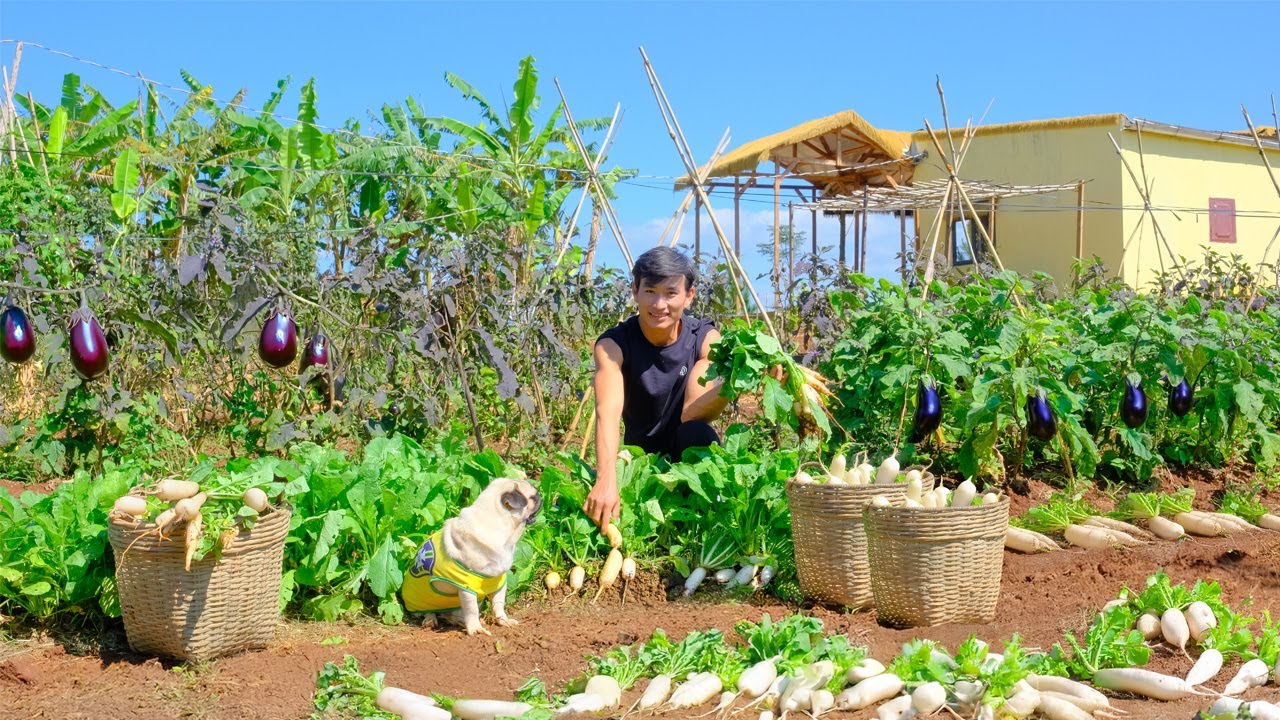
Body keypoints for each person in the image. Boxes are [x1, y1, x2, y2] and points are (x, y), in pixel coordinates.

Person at [583, 247, 727, 530]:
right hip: (641, 462)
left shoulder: (705, 339)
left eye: (671, 293)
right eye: (650, 291)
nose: (659, 304)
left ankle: (710, 515)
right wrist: (606, 479)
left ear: (688, 296)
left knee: (695, 431)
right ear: (635, 291)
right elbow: (607, 412)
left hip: (690, 459)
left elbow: (692, 412)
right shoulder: (613, 345)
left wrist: (737, 377)